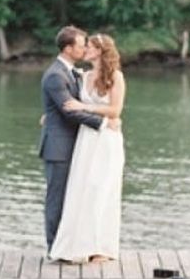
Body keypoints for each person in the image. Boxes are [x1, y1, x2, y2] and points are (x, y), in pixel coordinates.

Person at [48, 33, 125, 263]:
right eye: (85, 45)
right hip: (86, 140)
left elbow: (115, 111)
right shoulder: (83, 76)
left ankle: (102, 248)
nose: (86, 50)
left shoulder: (116, 77)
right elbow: (65, 104)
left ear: (101, 51)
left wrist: (85, 106)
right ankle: (79, 246)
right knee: (82, 190)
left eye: (90, 46)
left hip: (106, 140)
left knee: (102, 190)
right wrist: (49, 116)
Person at [39, 25, 105, 254]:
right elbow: (70, 111)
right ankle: (53, 248)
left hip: (73, 145)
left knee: (72, 197)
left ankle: (66, 245)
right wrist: (103, 124)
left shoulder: (71, 72)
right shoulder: (56, 75)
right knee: (56, 199)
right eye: (81, 45)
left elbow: (66, 105)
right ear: (68, 48)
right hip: (58, 148)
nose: (85, 48)